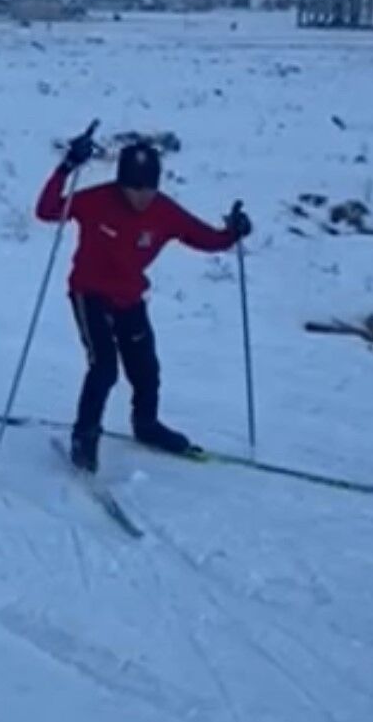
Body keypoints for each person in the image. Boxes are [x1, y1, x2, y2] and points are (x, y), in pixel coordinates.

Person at [36, 133, 252, 473]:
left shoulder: (164, 212)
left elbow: (204, 237)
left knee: (145, 369)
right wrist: (66, 167)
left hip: (129, 295)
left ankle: (146, 424)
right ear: (120, 184)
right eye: (133, 188)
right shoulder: (97, 200)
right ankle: (84, 437)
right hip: (89, 292)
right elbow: (46, 211)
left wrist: (232, 233)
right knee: (104, 367)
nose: (141, 196)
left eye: (148, 187)